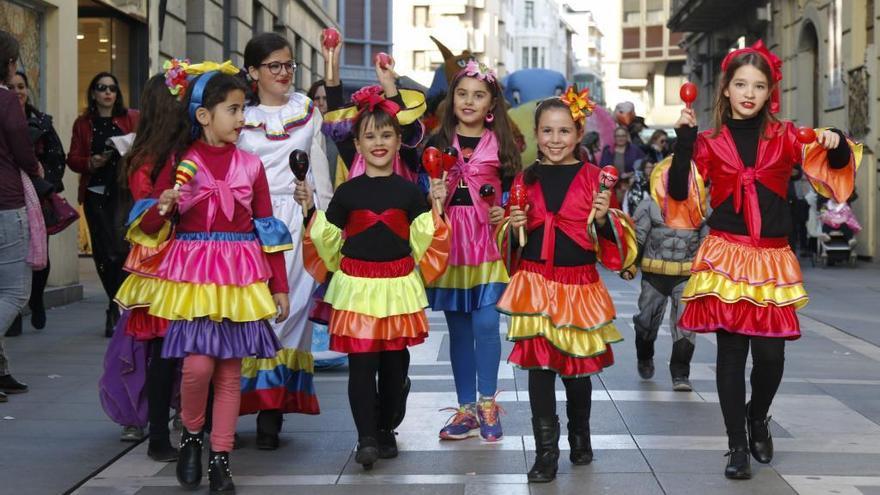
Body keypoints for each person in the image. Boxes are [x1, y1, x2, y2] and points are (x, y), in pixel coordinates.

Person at [669, 40, 859, 480]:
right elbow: (679, 192)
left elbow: (837, 162)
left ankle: (758, 417)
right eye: (740, 84)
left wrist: (835, 141)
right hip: (726, 254)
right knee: (731, 355)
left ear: (770, 91)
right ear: (726, 90)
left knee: (771, 357)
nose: (748, 93)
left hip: (772, 259)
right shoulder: (709, 141)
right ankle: (736, 445)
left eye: (758, 85)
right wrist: (683, 140)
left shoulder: (787, 136)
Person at [132, 63, 291, 493]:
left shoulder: (252, 166)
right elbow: (149, 228)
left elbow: (267, 228)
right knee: (197, 367)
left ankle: (220, 459)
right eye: (234, 109)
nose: (242, 119)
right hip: (194, 279)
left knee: (228, 372)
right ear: (204, 115)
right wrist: (163, 205)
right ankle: (191, 436)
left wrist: (279, 285)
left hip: (240, 279)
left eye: (244, 110)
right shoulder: (181, 163)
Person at [300, 94, 450, 470]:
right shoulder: (348, 193)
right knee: (363, 365)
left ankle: (387, 425)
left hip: (397, 288)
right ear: (358, 145)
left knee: (395, 366)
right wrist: (308, 213)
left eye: (386, 135)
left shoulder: (410, 192)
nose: (379, 142)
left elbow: (424, 240)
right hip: (356, 288)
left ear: (399, 142)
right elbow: (329, 240)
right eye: (370, 136)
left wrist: (437, 207)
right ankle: (367, 437)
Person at [497, 89, 636, 483]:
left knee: (576, 371)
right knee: (538, 368)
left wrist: (606, 218)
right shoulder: (525, 179)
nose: (554, 140)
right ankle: (545, 453)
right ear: (536, 134)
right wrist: (513, 227)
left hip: (578, 285)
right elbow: (509, 240)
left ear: (578, 134)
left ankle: (580, 433)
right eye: (546, 131)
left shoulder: (596, 180)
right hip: (536, 282)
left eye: (563, 131)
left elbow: (614, 246)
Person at [236, 32, 327, 451]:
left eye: (289, 65)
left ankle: (271, 413)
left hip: (296, 219)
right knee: (249, 312)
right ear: (253, 71)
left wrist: (322, 221)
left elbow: (321, 169)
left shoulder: (306, 111)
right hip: (249, 222)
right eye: (274, 66)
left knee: (290, 315)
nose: (284, 73)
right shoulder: (239, 114)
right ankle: (233, 403)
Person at [422, 59, 520, 443]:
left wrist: (506, 207)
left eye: (478, 95)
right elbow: (421, 191)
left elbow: (516, 189)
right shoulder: (437, 143)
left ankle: (487, 402)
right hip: (450, 243)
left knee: (485, 323)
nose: (468, 101)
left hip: (487, 242)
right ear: (452, 100)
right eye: (462, 94)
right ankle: (465, 410)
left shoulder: (504, 144)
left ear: (491, 105)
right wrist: (431, 197)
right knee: (459, 329)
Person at [110, 70, 193, 459]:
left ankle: (174, 424)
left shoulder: (159, 153)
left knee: (175, 349)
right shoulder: (152, 159)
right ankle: (160, 433)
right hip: (163, 265)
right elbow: (146, 215)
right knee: (163, 350)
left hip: (182, 259)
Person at [67, 71, 140, 337]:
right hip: (96, 191)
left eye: (112, 88)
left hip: (124, 191)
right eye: (101, 88)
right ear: (93, 93)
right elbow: (72, 158)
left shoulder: (131, 118)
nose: (108, 92)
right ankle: (114, 302)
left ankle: (117, 305)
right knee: (103, 252)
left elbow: (145, 146)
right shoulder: (84, 123)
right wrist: (90, 162)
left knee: (121, 251)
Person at [631, 156, 707, 391]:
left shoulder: (701, 207)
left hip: (687, 275)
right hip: (654, 275)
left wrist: (708, 271)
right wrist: (630, 264)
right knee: (646, 320)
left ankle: (680, 373)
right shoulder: (649, 205)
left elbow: (707, 243)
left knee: (686, 325)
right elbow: (638, 238)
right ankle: (645, 355)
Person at [5, 70, 66, 336]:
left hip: (38, 197)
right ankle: (14, 316)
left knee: (39, 256)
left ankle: (37, 298)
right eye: (12, 86)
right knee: (12, 274)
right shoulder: (6, 111)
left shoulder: (40, 121)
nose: (17, 91)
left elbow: (57, 156)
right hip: (12, 198)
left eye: (21, 86)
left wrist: (45, 181)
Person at [0, 29, 40, 402]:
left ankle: (2, 371)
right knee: (14, 292)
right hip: (6, 203)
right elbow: (19, 142)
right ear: (9, 63)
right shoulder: (6, 100)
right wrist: (35, 166)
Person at [306, 79, 340, 185]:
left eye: (325, 98)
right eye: (317, 98)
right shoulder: (305, 130)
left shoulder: (341, 130)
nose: (321, 103)